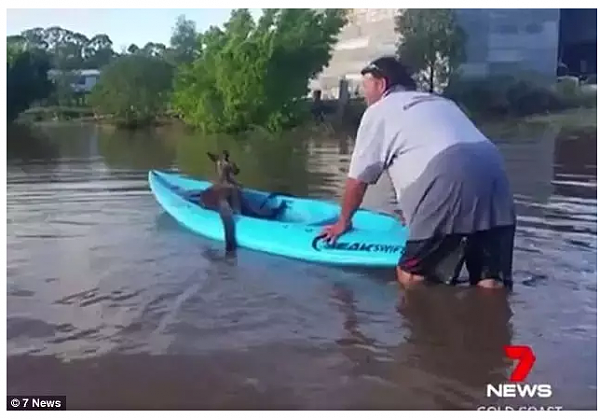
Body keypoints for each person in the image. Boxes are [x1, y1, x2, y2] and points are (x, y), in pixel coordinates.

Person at [318, 56, 516, 290]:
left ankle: (427, 323)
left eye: (366, 86)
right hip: (495, 170)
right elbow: (420, 154)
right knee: (490, 281)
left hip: (448, 173)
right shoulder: (441, 102)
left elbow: (358, 180)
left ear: (382, 85)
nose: (364, 94)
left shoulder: (379, 111)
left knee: (411, 276)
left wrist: (343, 222)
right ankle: (493, 323)